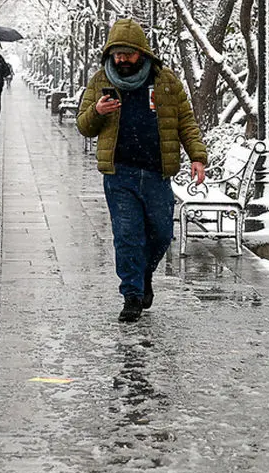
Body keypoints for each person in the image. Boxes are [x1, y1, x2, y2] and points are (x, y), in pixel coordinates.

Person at [76, 18, 207, 323]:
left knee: (161, 234)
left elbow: (185, 121)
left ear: (142, 53)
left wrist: (197, 156)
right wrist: (97, 112)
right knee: (127, 235)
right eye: (116, 54)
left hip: (157, 173)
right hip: (119, 173)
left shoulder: (166, 81)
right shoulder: (99, 81)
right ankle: (132, 295)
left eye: (127, 54)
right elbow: (83, 126)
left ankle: (143, 275)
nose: (121, 60)